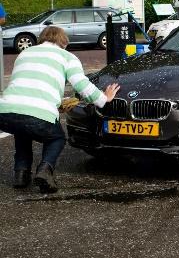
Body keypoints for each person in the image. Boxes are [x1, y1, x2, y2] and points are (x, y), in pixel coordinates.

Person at [0, 26, 120, 193]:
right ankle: (45, 170)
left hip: (5, 110)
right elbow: (81, 85)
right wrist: (103, 98)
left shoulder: (24, 53)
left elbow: (28, 84)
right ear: (64, 42)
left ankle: (21, 174)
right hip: (37, 111)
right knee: (56, 138)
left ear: (42, 39)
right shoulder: (67, 56)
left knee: (23, 130)